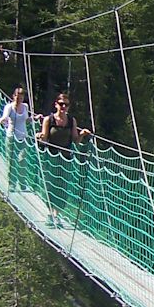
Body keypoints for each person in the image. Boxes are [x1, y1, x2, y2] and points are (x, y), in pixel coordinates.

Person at [35, 93, 92, 227]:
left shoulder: (71, 121)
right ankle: (50, 214)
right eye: (61, 104)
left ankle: (57, 215)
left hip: (65, 159)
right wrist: (39, 136)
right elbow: (45, 139)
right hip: (51, 157)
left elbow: (75, 141)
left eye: (66, 105)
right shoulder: (49, 120)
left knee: (62, 187)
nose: (64, 107)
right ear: (56, 104)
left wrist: (82, 134)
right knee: (50, 185)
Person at [0, 86, 30, 192]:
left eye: (21, 98)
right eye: (17, 97)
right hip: (11, 137)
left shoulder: (25, 106)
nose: (19, 99)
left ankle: (22, 183)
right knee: (11, 160)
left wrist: (34, 118)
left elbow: (26, 120)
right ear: (13, 96)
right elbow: (5, 117)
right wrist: (2, 120)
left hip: (23, 137)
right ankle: (12, 184)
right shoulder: (9, 107)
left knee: (22, 160)